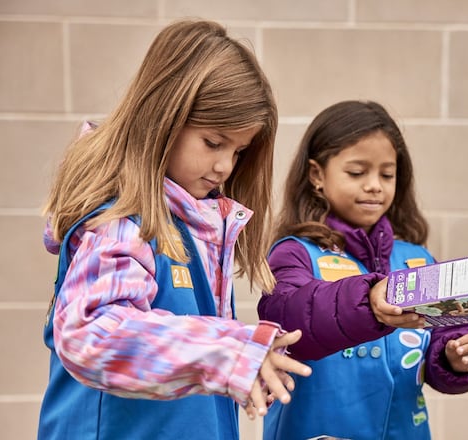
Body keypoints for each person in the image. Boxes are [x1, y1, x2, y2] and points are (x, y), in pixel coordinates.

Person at [37, 20, 311, 440]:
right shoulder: (121, 220)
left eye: (238, 151)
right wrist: (228, 352)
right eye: (213, 142)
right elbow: (89, 333)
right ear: (163, 118)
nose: (225, 167)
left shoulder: (195, 224)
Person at [258, 100, 468, 439]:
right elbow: (289, 320)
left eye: (387, 174)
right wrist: (366, 301)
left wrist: (456, 354)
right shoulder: (294, 253)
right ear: (317, 175)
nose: (374, 185)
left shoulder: (417, 259)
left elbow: (449, 331)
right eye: (357, 172)